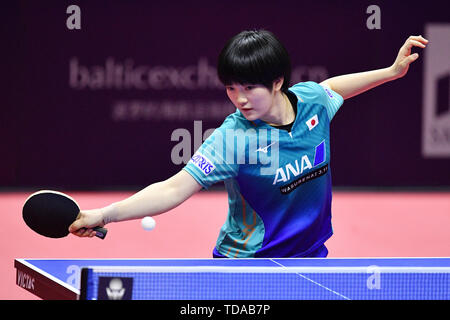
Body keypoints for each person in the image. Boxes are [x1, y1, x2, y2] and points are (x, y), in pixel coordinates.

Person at [69, 30, 428, 258]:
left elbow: (334, 88)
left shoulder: (313, 103)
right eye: (230, 88)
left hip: (311, 256)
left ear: (276, 82)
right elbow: (174, 188)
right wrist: (104, 215)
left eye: (248, 88)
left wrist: (391, 72)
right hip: (247, 264)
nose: (238, 99)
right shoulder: (234, 137)